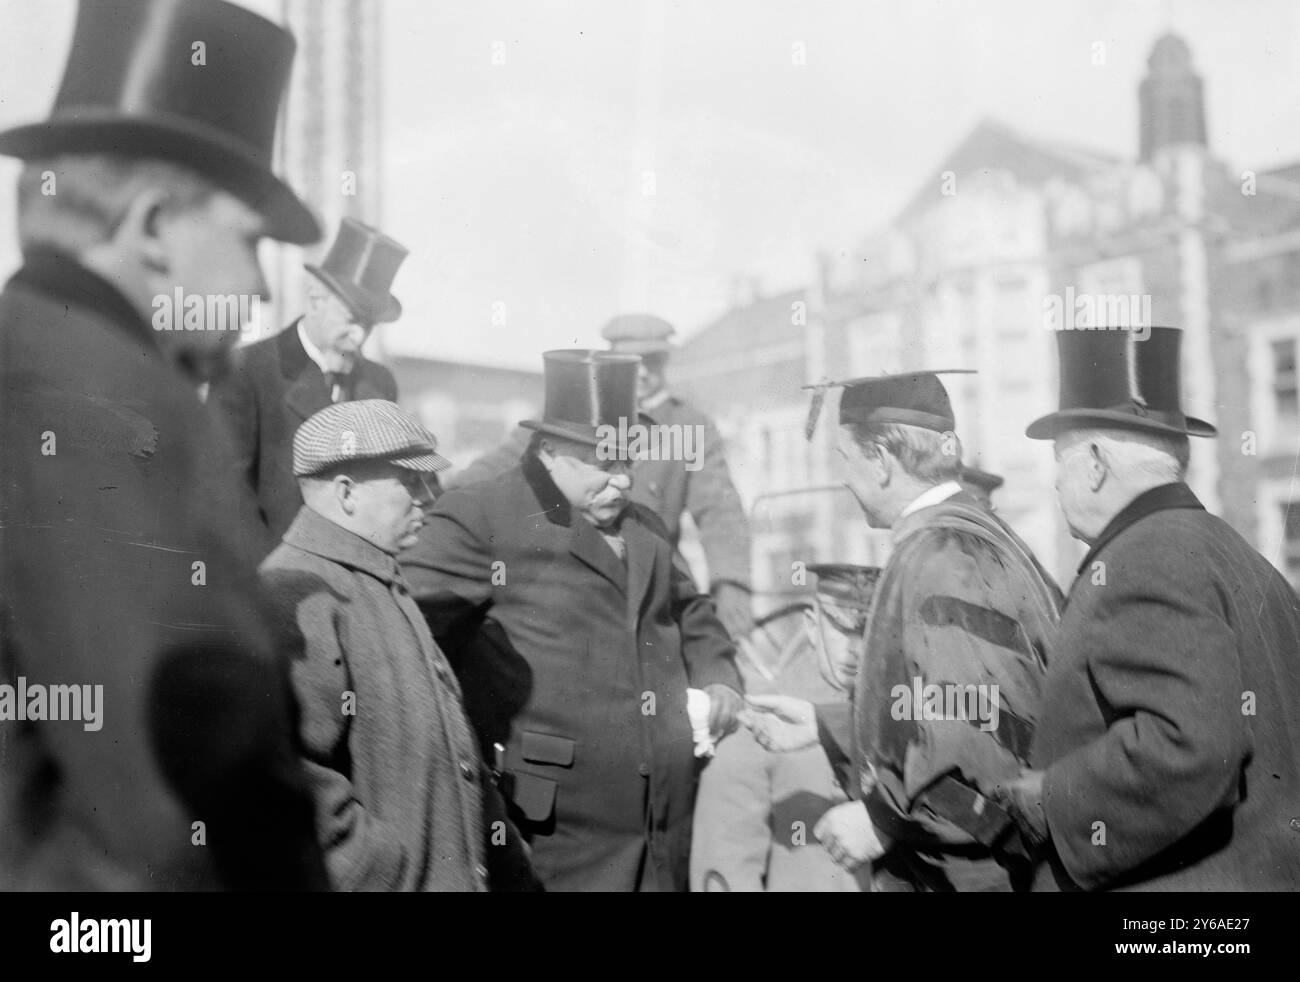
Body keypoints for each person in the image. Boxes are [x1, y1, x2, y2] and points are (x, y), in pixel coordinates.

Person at [0, 0, 326, 890]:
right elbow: (160, 810)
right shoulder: (107, 402)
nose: (259, 288)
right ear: (151, 226)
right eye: (248, 239)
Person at [403, 349, 744, 891]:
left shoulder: (647, 527)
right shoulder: (481, 516)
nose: (625, 481)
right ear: (550, 451)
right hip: (554, 835)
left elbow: (692, 612)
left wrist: (719, 677)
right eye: (606, 465)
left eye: (628, 461)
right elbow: (409, 631)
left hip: (665, 826)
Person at [1000, 326, 1300, 890]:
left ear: (1093, 463)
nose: (1056, 487)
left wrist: (1053, 797)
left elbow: (1191, 744)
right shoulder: (1237, 555)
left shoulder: (1145, 557)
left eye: (1059, 464)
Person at [746, 371, 1062, 891]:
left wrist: (881, 819)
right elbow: (940, 706)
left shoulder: (944, 556)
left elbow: (979, 745)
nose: (843, 480)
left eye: (845, 461)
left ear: (882, 462)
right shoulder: (965, 535)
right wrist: (828, 725)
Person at [259, 400, 491, 891]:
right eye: (410, 482)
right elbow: (282, 778)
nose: (430, 496)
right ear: (346, 493)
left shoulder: (373, 576)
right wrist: (382, 872)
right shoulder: (295, 591)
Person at [450, 314, 754, 638]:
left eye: (654, 360)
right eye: (632, 361)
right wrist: (440, 489)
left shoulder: (689, 427)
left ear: (666, 360)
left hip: (656, 579)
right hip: (571, 571)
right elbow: (502, 462)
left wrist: (731, 582)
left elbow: (720, 509)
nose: (644, 372)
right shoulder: (572, 415)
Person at [210, 218, 409, 547]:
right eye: (352, 320)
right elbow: (224, 497)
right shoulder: (245, 372)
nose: (359, 337)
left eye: (369, 325)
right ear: (316, 300)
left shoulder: (379, 384)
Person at [691, 564, 878, 892]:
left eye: (867, 633)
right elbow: (727, 861)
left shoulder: (900, 718)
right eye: (840, 629)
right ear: (811, 624)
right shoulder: (764, 716)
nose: (853, 650)